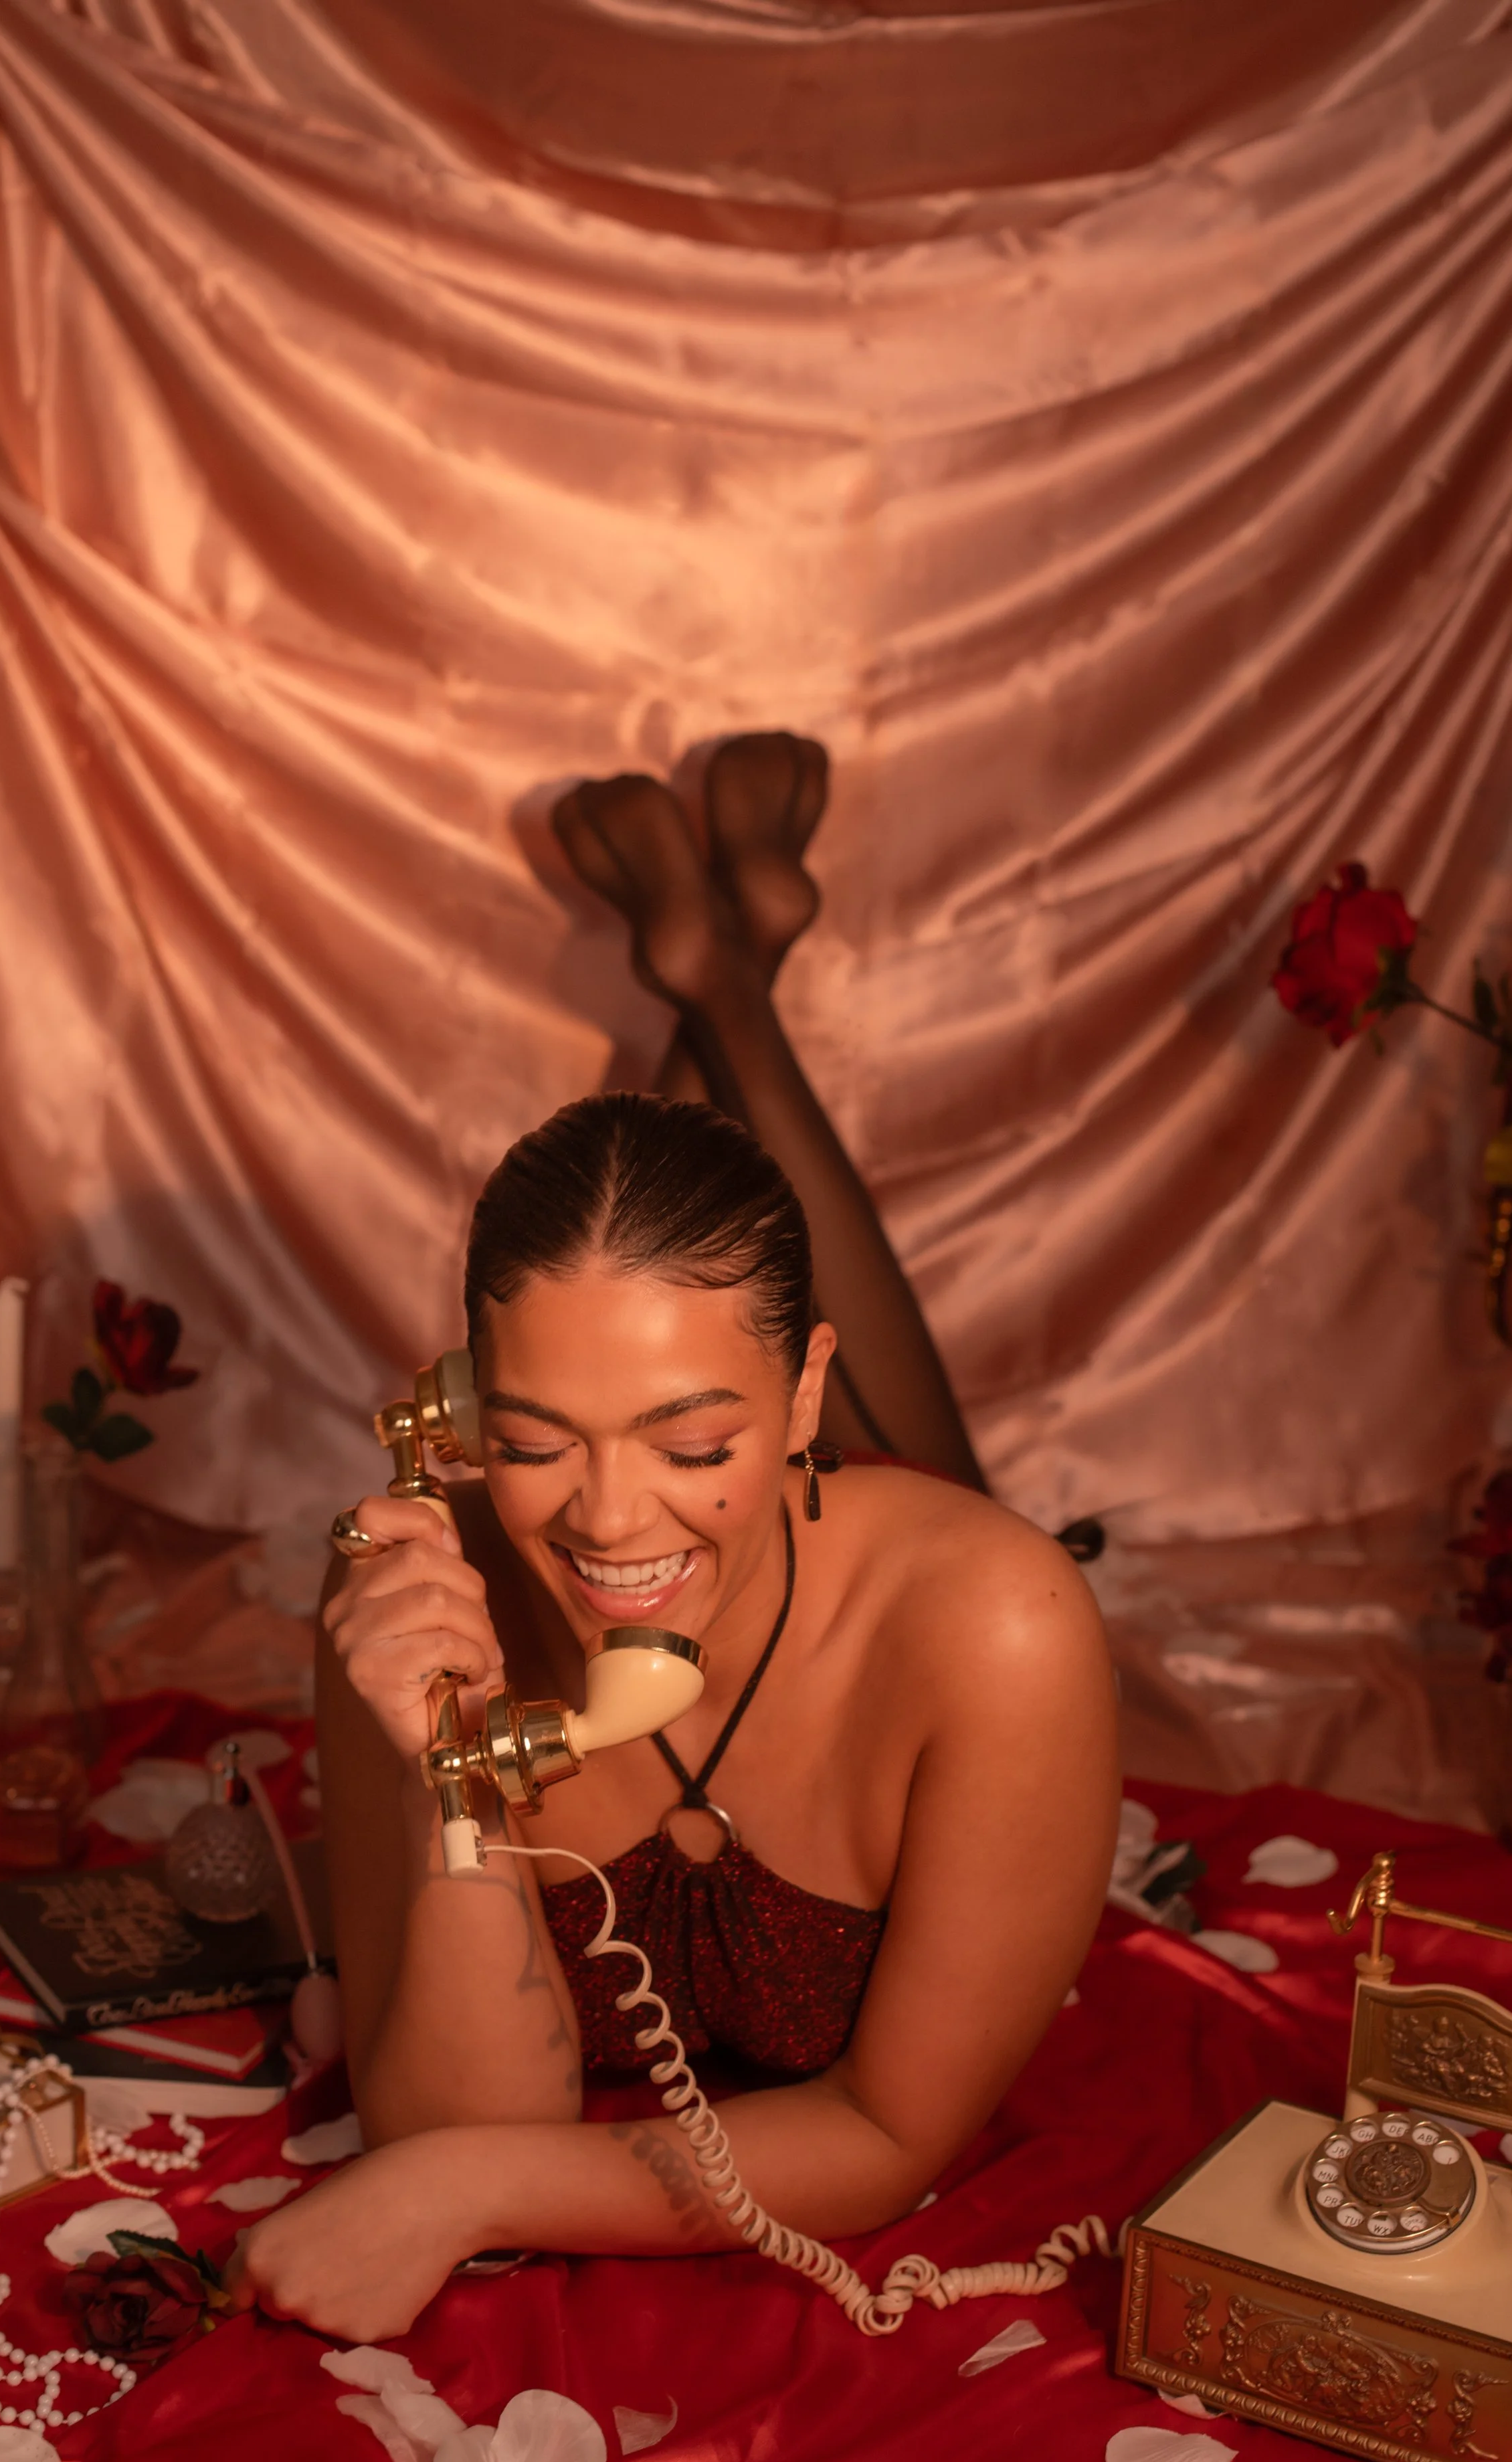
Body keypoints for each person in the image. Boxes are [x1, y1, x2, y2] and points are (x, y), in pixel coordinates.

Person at [228, 741, 1117, 2344]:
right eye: (531, 1438)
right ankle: (727, 969)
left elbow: (889, 2135)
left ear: (798, 1406)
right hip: (696, 1519)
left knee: (933, 1465)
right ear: (453, 1411)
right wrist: (450, 1775)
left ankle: (729, 985)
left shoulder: (998, 1622)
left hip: (873, 1544)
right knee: (646, 1264)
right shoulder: (425, 1590)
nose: (611, 1518)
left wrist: (466, 2199)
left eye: (692, 1442)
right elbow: (440, 2113)